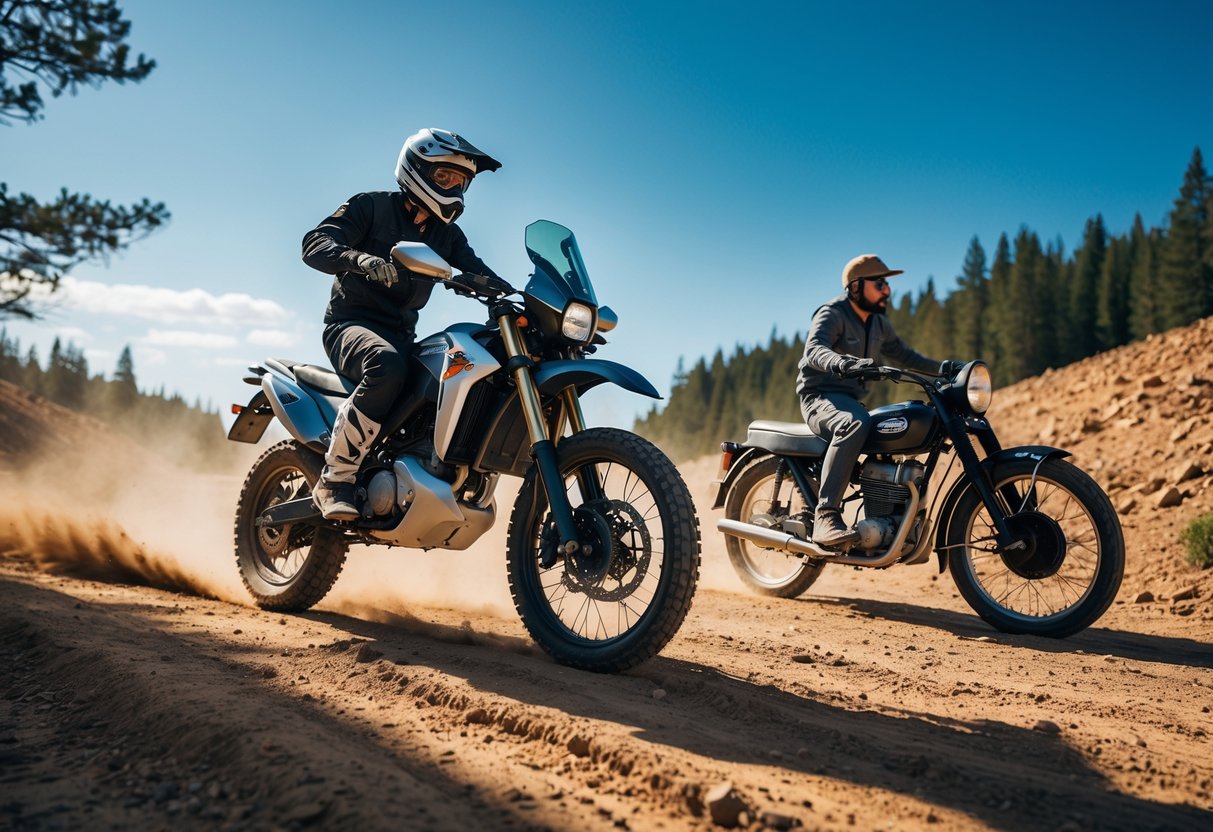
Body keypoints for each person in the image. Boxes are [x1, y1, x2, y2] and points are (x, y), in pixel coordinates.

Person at [302, 128, 502, 520]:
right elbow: (315, 244)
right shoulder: (371, 207)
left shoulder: (447, 236)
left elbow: (482, 274)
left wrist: (523, 300)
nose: (455, 187)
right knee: (387, 364)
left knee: (447, 375)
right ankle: (335, 479)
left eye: (462, 181)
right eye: (445, 177)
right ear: (417, 169)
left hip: (401, 336)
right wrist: (359, 260)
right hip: (350, 326)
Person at [795, 254, 956, 547]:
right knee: (854, 424)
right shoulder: (833, 313)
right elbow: (814, 350)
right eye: (879, 283)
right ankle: (826, 515)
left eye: (886, 283)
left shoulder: (879, 323)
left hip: (851, 399)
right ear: (856, 286)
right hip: (820, 396)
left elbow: (907, 357)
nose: (887, 290)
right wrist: (843, 363)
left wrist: (947, 369)